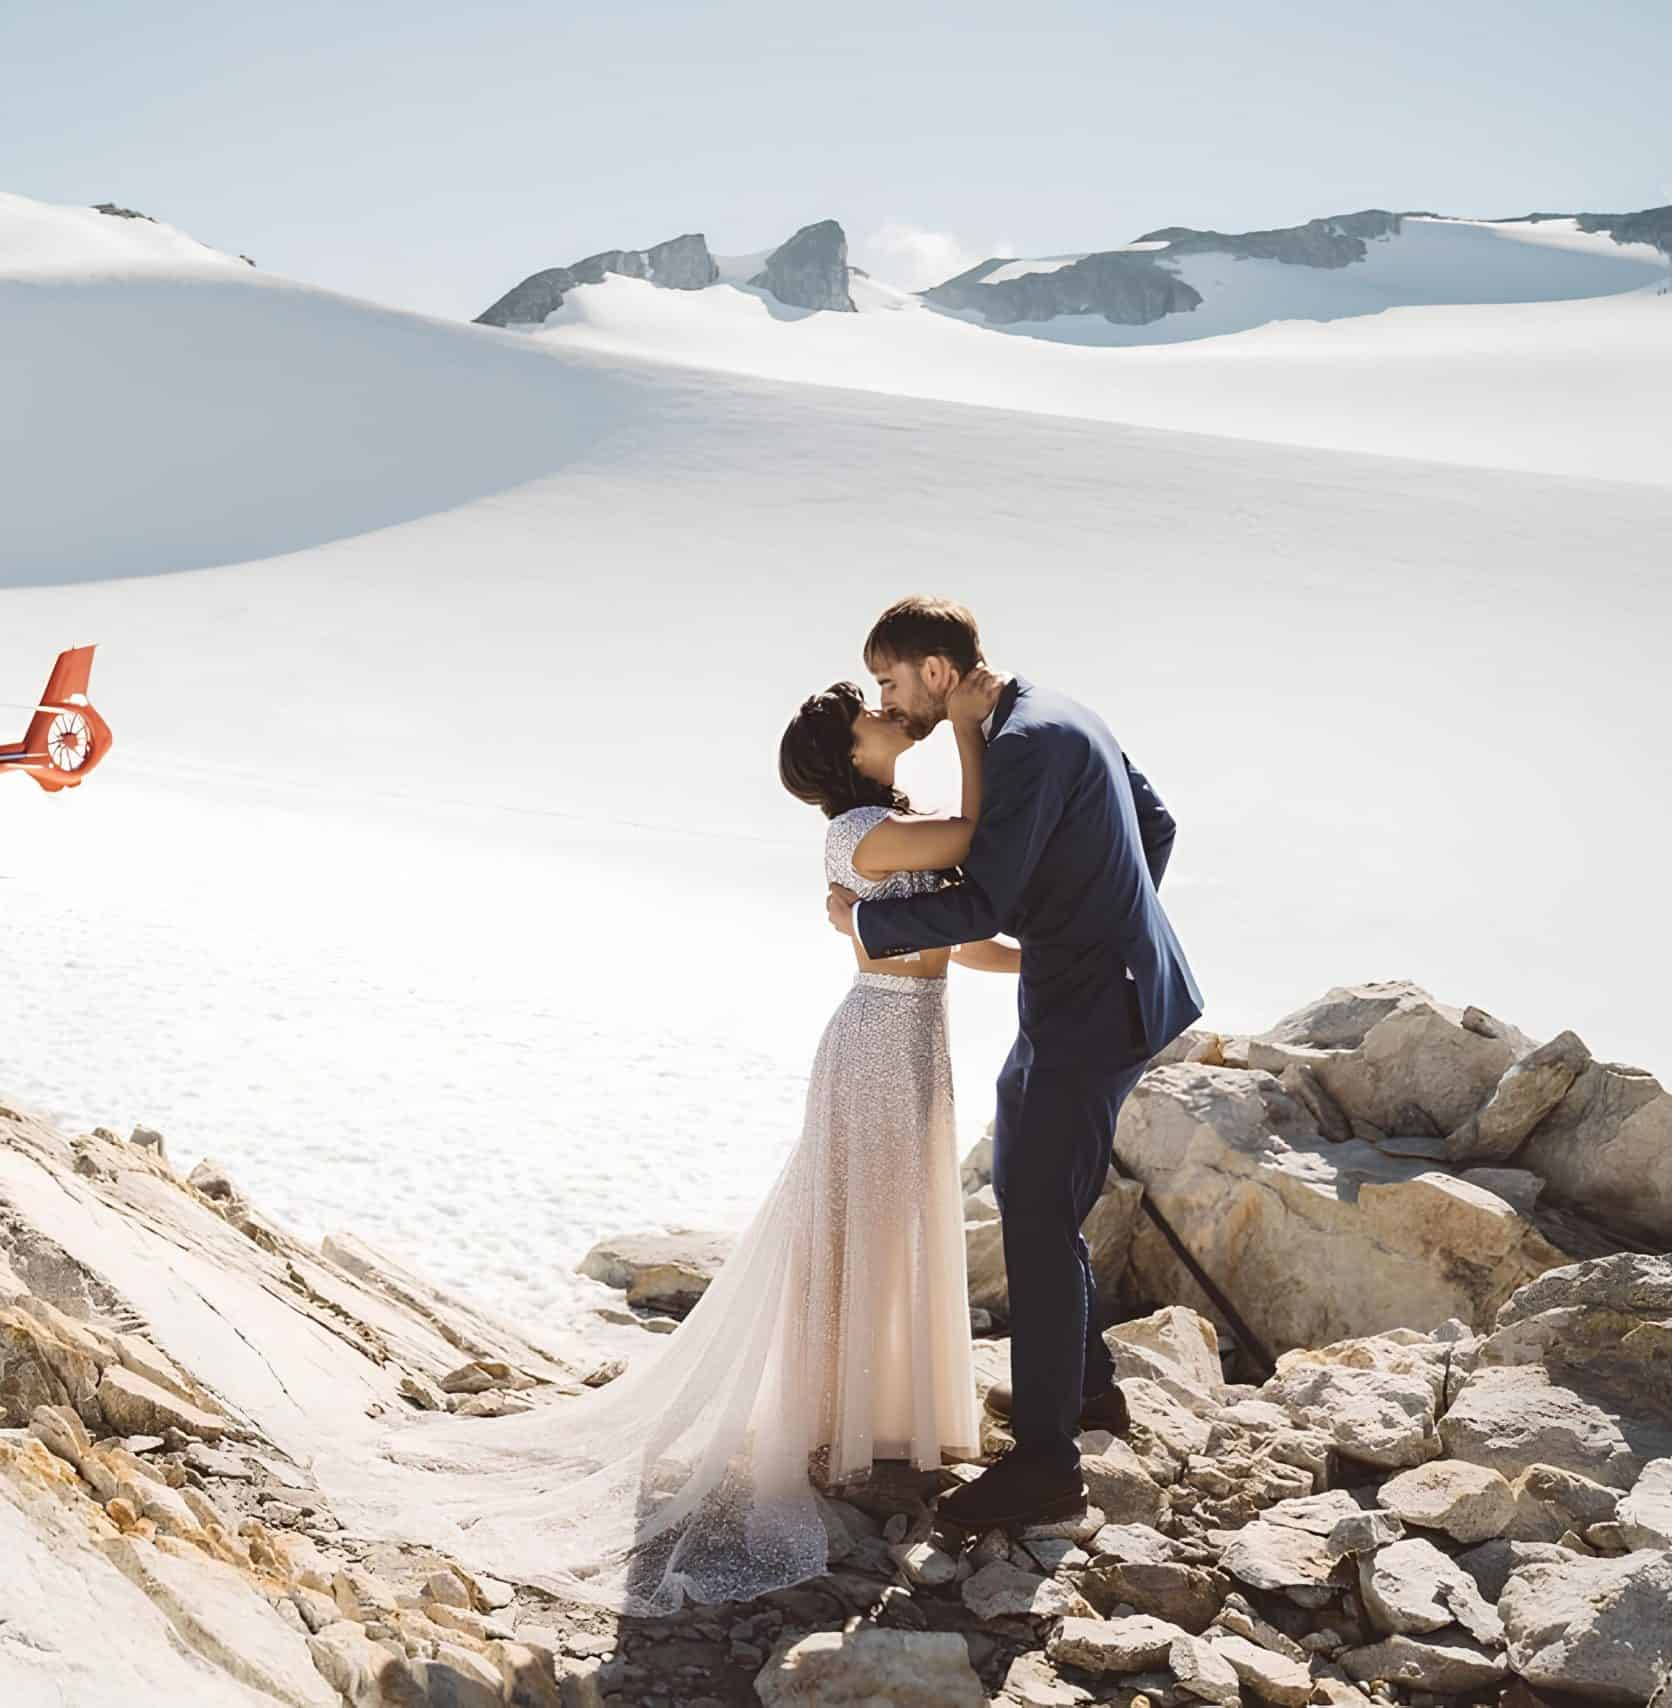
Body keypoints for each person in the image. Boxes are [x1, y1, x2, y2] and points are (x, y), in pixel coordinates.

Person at [315, 669, 1011, 1614]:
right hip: (878, 1040)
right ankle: (829, 1428)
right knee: (855, 1228)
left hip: (917, 1037)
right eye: (869, 717)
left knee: (895, 1226)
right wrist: (969, 727)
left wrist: (1049, 957)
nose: (889, 716)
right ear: (849, 755)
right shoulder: (857, 834)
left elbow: (960, 933)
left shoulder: (894, 825)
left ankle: (878, 1421)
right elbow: (979, 837)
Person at [826, 595, 1200, 1532]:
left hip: (1094, 1005)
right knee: (1034, 1186)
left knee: (1035, 1215)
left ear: (939, 675)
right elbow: (1156, 827)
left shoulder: (1024, 742)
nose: (888, 699)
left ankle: (1046, 1469)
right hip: (1096, 990)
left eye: (890, 681)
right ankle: (1085, 1387)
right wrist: (1101, 923)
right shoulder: (1058, 708)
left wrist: (865, 921)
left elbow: (981, 902)